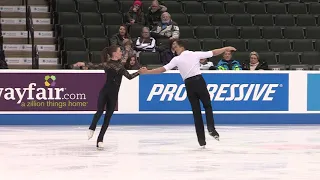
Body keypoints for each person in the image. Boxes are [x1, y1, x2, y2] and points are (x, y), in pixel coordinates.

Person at [139, 39, 236, 147]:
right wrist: (225, 48)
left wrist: (147, 72)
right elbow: (213, 53)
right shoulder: (193, 55)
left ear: (182, 47)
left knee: (196, 112)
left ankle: (201, 141)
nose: (174, 48)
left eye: (176, 46)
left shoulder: (178, 59)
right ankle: (211, 129)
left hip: (189, 85)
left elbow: (162, 69)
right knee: (207, 106)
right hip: (199, 82)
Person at [73, 45, 142, 150]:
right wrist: (83, 64)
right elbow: (95, 66)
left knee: (107, 118)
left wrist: (139, 72)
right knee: (99, 111)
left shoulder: (121, 66)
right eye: (119, 51)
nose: (121, 53)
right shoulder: (107, 65)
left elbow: (129, 77)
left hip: (114, 95)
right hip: (104, 92)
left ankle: (100, 140)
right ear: (114, 53)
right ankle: (92, 128)